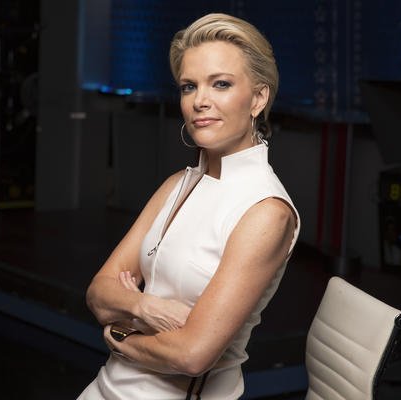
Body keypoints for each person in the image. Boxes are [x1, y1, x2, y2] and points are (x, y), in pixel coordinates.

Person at [78, 13, 300, 399]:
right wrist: (146, 308)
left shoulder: (266, 211)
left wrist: (119, 333)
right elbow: (98, 292)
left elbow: (192, 355)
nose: (200, 101)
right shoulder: (177, 185)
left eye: (221, 84)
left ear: (258, 98)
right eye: (189, 86)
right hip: (105, 387)